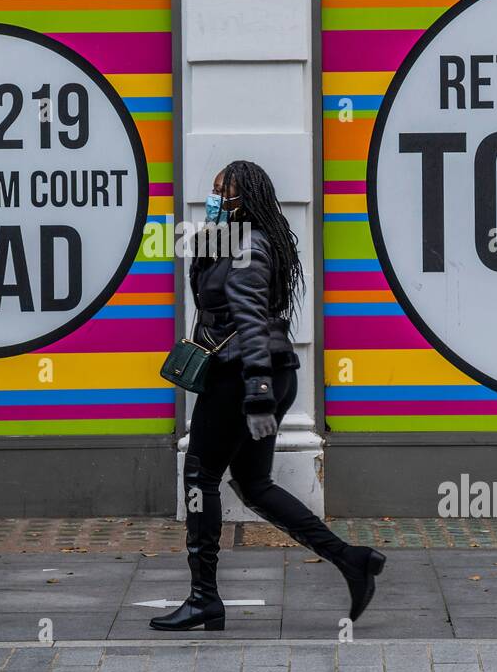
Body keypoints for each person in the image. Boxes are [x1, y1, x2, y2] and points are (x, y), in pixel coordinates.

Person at [150, 160, 385, 632]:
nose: (214, 199)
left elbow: (251, 319)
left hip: (246, 375)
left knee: (200, 475)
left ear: (246, 200)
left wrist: (256, 393)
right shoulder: (233, 242)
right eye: (213, 190)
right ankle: (351, 561)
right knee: (254, 483)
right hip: (254, 373)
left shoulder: (249, 248)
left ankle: (203, 599)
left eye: (224, 193)